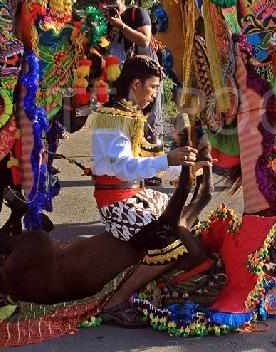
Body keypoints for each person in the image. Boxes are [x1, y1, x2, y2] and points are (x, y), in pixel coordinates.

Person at [89, 55, 209, 327]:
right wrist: (169, 160)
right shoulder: (112, 118)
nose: (154, 94)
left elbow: (148, 158)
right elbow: (125, 168)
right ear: (135, 84)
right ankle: (116, 301)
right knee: (171, 246)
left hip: (133, 194)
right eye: (153, 87)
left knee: (178, 219)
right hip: (115, 203)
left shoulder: (129, 116)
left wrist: (187, 170)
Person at [98, 0, 164, 185]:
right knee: (127, 122)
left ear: (123, 2)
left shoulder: (137, 14)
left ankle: (152, 170)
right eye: (108, 8)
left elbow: (145, 40)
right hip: (124, 80)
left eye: (115, 6)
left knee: (151, 122)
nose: (113, 11)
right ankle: (129, 165)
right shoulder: (106, 23)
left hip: (147, 77)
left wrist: (121, 25)